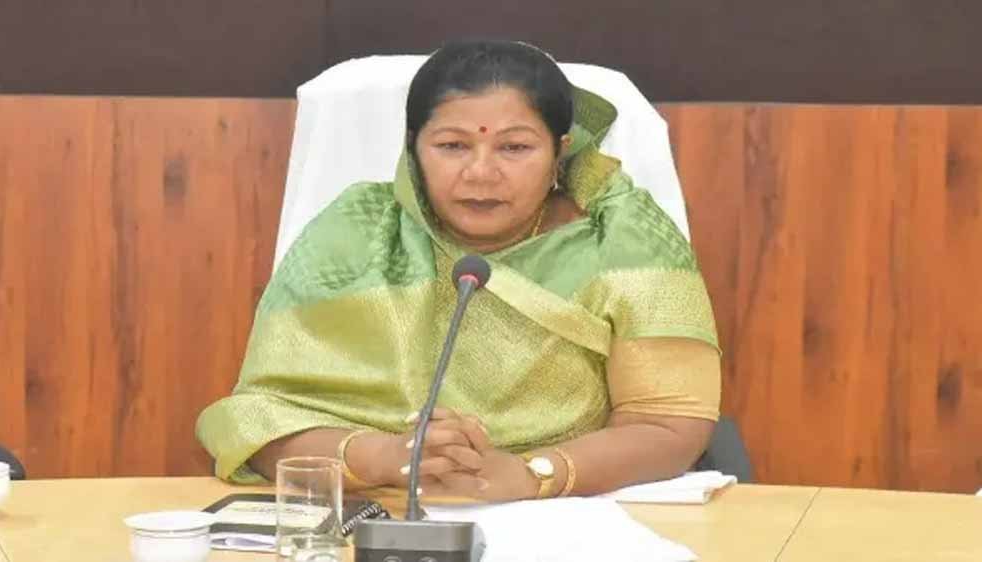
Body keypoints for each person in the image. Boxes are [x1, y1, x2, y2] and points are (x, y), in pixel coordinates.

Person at [197, 39, 721, 502]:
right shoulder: (357, 230)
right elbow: (259, 418)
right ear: (413, 147)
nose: (481, 172)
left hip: (570, 511)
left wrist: (532, 474)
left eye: (515, 147)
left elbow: (668, 425)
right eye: (452, 146)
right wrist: (385, 457)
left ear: (559, 153)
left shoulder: (624, 240)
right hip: (375, 505)